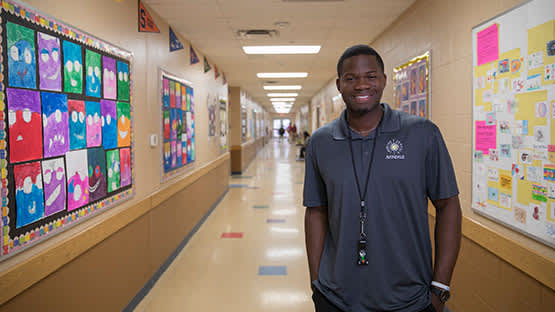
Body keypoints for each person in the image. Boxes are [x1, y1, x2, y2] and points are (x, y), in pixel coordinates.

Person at [303, 44, 461, 312]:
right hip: (337, 298)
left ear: (384, 81)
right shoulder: (321, 142)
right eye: (351, 78)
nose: (361, 85)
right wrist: (317, 282)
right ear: (339, 85)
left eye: (371, 76)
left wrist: (440, 287)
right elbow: (316, 211)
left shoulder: (423, 134)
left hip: (411, 299)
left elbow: (448, 206)